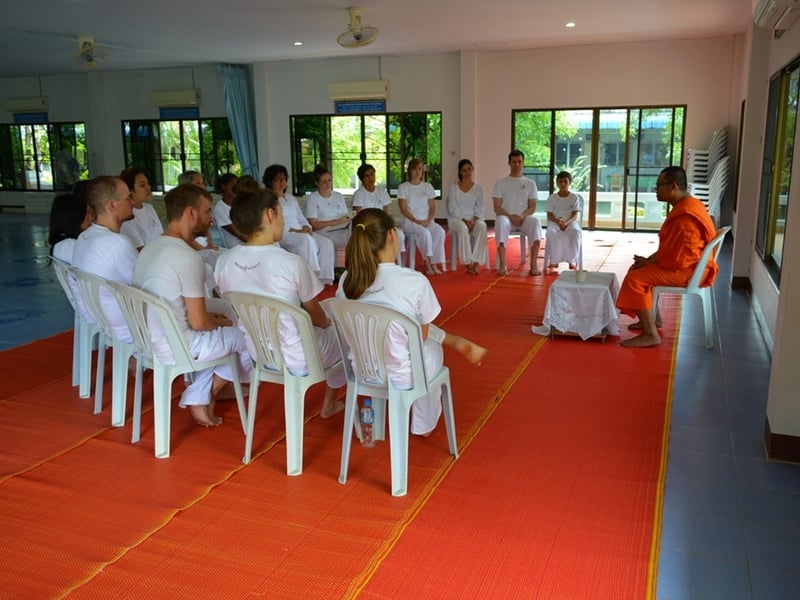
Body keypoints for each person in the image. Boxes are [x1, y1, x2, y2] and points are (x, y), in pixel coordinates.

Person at [337, 208, 487, 436]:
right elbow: (421, 336)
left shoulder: (347, 279)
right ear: (392, 235)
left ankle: (454, 341)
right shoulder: (414, 281)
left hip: (363, 369)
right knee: (429, 349)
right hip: (402, 373)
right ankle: (423, 425)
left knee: (404, 326)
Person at [214, 188, 346, 418]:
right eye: (281, 213)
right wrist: (330, 325)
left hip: (260, 353)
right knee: (348, 333)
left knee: (328, 312)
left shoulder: (224, 261)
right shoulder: (290, 263)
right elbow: (317, 317)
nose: (283, 220)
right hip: (299, 356)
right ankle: (331, 404)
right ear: (269, 215)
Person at [133, 184, 251, 426]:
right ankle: (204, 392)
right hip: (179, 345)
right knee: (254, 338)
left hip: (149, 339)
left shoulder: (151, 247)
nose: (210, 219)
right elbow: (199, 322)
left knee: (226, 312)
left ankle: (210, 385)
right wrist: (216, 322)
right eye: (207, 211)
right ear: (191, 213)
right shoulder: (186, 257)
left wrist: (218, 319)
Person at [617, 166, 719, 348]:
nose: (656, 189)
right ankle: (653, 320)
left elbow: (679, 259)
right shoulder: (688, 205)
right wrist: (648, 261)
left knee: (635, 278)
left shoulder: (685, 216)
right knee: (637, 269)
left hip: (690, 271)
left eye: (659, 185)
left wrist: (649, 263)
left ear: (673, 186)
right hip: (692, 265)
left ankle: (650, 334)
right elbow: (671, 248)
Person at [72, 176, 138, 343]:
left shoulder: (84, 237)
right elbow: (144, 287)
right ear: (112, 205)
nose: (132, 201)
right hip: (126, 327)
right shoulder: (118, 243)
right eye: (127, 198)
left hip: (101, 321)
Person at [262, 164, 335, 284]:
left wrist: (306, 226)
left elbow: (301, 218)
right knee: (305, 240)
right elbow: (274, 223)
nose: (282, 182)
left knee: (326, 243)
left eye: (284, 179)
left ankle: (324, 279)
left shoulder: (291, 198)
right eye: (277, 179)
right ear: (270, 182)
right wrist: (298, 231)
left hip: (300, 231)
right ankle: (310, 276)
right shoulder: (269, 200)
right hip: (284, 233)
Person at [491, 149, 542, 276]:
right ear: (509, 163)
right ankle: (503, 264)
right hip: (507, 217)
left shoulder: (530, 183)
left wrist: (522, 215)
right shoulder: (500, 183)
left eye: (519, 162)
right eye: (514, 162)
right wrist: (509, 215)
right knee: (501, 221)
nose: (517, 165)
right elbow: (496, 207)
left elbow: (532, 207)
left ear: (523, 163)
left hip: (523, 218)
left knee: (535, 221)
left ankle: (533, 264)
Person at [398, 158, 447, 275]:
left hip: (426, 220)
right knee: (425, 233)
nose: (417, 171)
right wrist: (418, 221)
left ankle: (434, 262)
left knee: (440, 231)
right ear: (409, 171)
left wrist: (428, 220)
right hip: (410, 222)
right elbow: (403, 209)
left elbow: (432, 207)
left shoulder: (427, 186)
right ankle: (427, 262)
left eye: (419, 169)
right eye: (414, 169)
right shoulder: (403, 187)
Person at [351, 163, 405, 260]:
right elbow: (357, 216)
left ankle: (395, 259)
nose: (370, 178)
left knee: (399, 235)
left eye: (372, 174)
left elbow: (385, 213)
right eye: (367, 176)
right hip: (367, 228)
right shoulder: (358, 194)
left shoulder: (382, 192)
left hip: (381, 225)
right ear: (362, 179)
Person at [446, 158, 488, 275]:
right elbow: (452, 209)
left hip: (473, 219)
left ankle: (477, 262)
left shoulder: (478, 189)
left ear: (472, 170)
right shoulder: (453, 188)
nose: (467, 172)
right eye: (464, 170)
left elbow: (479, 208)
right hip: (456, 219)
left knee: (482, 226)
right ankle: (468, 262)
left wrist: (473, 220)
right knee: (463, 228)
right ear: (460, 172)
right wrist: (464, 220)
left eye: (469, 169)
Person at [304, 164, 353, 250]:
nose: (328, 184)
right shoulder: (313, 198)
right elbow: (314, 224)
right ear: (317, 183)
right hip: (323, 231)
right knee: (354, 237)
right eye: (324, 182)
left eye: (329, 180)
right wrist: (337, 222)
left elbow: (346, 215)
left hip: (341, 227)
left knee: (359, 230)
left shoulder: (339, 196)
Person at [545, 170, 582, 273]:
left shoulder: (574, 197)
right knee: (551, 232)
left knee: (576, 232)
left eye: (565, 181)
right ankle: (554, 260)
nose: (563, 184)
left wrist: (566, 222)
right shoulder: (552, 198)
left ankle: (572, 260)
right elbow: (550, 215)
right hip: (555, 222)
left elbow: (575, 215)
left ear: (569, 182)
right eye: (560, 181)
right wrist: (558, 221)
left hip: (570, 222)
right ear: (557, 183)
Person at [119, 168, 163, 250]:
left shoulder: (149, 208)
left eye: (148, 184)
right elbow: (139, 249)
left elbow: (161, 236)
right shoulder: (127, 215)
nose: (148, 188)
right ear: (129, 190)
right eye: (142, 185)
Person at [48, 192, 93, 262]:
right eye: (87, 212)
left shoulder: (66, 242)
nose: (91, 218)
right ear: (75, 215)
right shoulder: (68, 246)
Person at [211, 173, 246, 247]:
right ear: (223, 187)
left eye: (237, 186)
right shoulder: (220, 209)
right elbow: (238, 233)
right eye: (233, 186)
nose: (236, 189)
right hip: (236, 247)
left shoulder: (241, 204)